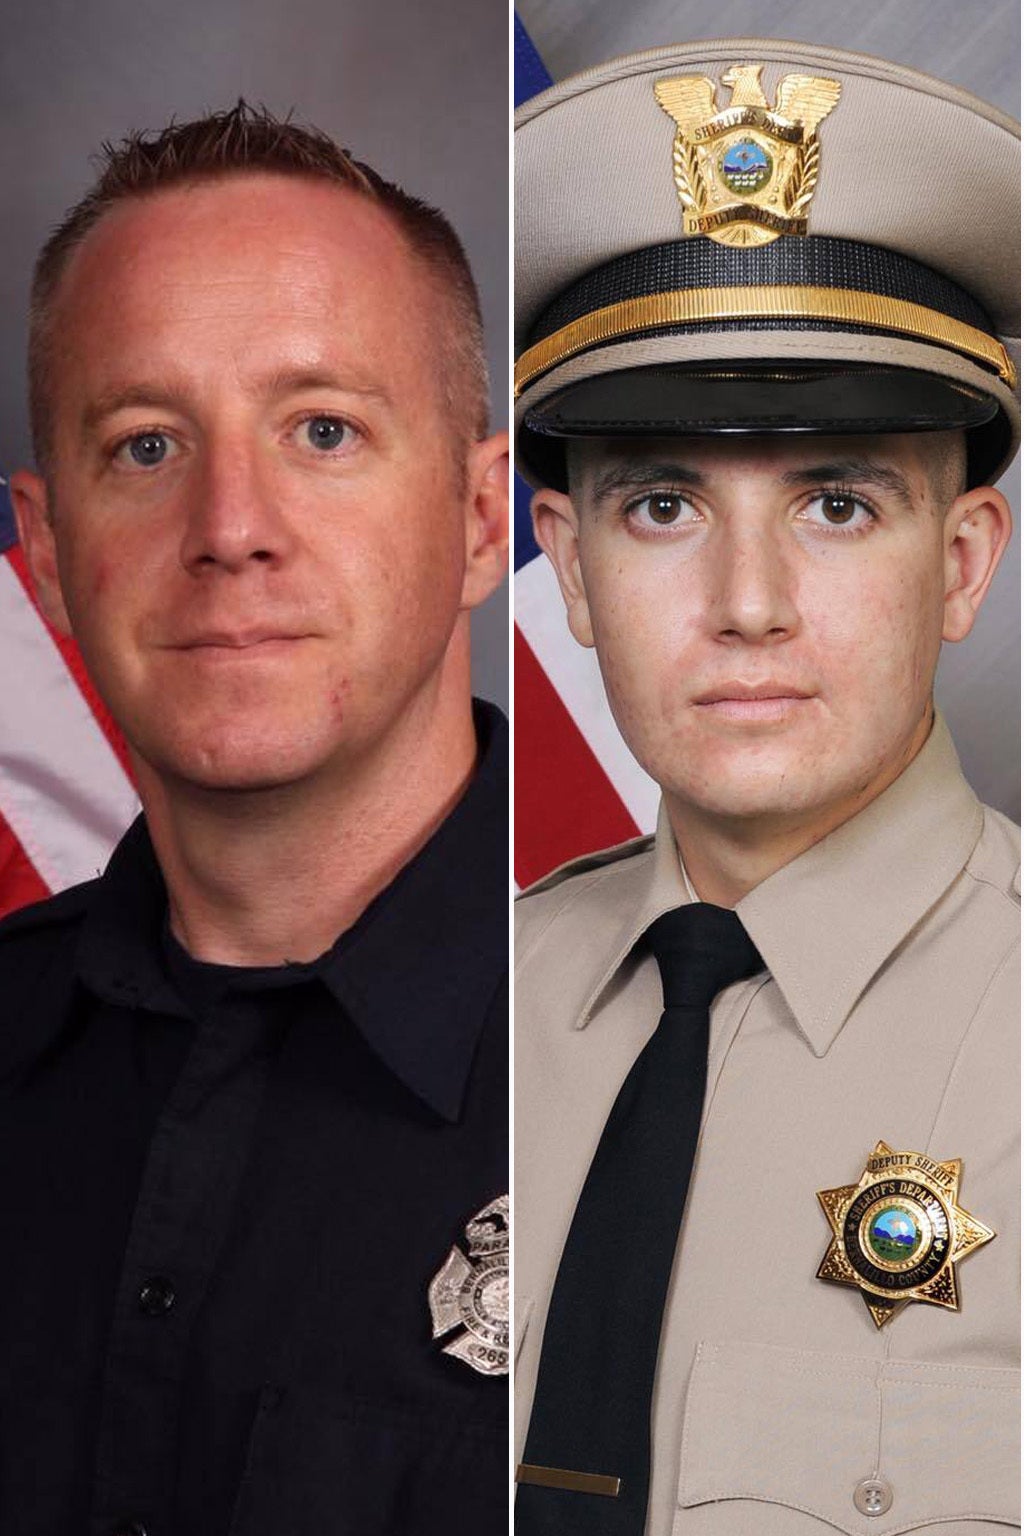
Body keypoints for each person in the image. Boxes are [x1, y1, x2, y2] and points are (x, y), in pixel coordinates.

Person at [509, 41, 1021, 1535]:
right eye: (664, 506)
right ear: (574, 565)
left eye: (838, 503)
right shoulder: (482, 1006)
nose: (748, 604)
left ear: (965, 561)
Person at [0, 105, 510, 1533]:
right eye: (147, 446)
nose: (232, 524)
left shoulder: (699, 1075)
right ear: (45, 557)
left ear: (480, 520)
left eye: (323, 430)